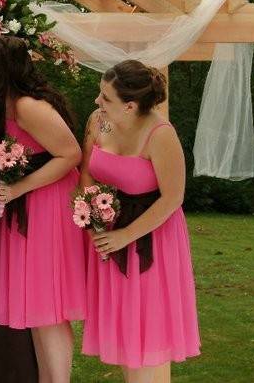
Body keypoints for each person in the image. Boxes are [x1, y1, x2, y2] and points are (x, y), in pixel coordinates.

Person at [0, 35, 86, 382]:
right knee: (37, 307)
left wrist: (18, 187)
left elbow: (71, 154)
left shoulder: (27, 107)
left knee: (48, 307)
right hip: (28, 206)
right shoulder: (6, 105)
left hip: (47, 207)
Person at [79, 60, 200, 383]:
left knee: (149, 333)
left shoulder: (161, 135)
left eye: (105, 97)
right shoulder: (99, 122)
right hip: (110, 230)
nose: (97, 102)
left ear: (130, 106)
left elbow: (173, 197)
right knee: (124, 335)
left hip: (151, 238)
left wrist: (126, 236)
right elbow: (88, 170)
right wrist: (91, 214)